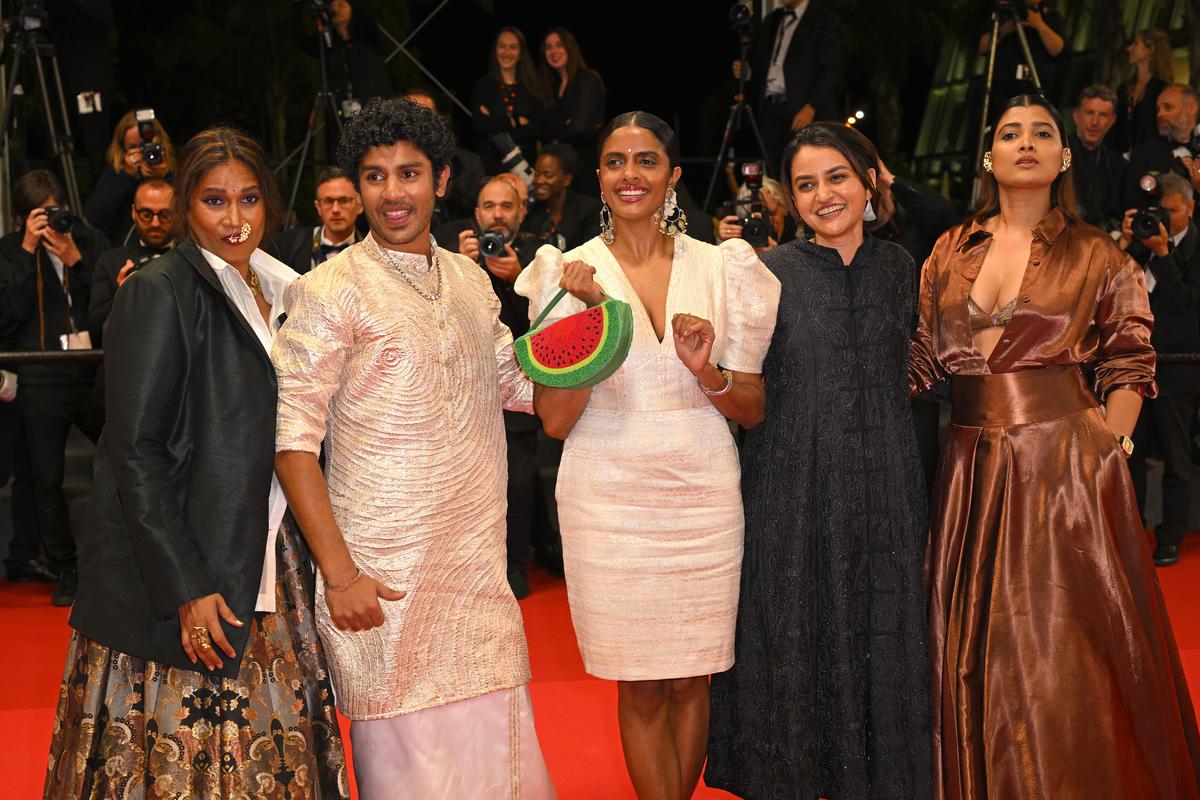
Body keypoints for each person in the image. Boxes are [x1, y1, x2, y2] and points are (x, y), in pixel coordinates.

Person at [910, 94, 1200, 798]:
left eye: (1043, 132)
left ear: (1063, 156)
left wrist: (1110, 447)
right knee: (977, 644)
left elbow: (1131, 360)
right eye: (1010, 134)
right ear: (990, 158)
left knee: (1061, 644)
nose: (1027, 142)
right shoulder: (949, 250)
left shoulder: (1096, 251)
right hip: (969, 468)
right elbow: (919, 361)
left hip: (1066, 466)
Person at [46, 127, 348, 797]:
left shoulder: (291, 294)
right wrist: (185, 585)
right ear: (186, 207)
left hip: (271, 552)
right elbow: (134, 451)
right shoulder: (159, 291)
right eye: (214, 201)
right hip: (187, 565)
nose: (234, 220)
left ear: (269, 203)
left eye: (248, 200)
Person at [271, 98, 554, 798]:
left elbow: (517, 384)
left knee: (499, 765)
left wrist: (589, 324)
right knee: (414, 772)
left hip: (477, 570)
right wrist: (340, 576)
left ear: (443, 179)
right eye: (374, 176)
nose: (393, 193)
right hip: (384, 580)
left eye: (409, 173)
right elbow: (291, 442)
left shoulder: (467, 281)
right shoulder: (329, 288)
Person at [516, 111, 780, 800]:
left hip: (702, 489)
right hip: (609, 494)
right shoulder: (568, 274)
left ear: (672, 175)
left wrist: (708, 372)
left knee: (693, 677)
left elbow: (751, 406)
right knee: (638, 684)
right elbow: (553, 419)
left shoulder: (721, 267)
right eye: (614, 162)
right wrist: (598, 327)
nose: (629, 174)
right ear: (599, 177)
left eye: (645, 161)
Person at [706, 122, 932, 800]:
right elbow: (744, 385)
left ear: (868, 180)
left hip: (889, 481)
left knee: (885, 630)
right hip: (793, 483)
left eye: (838, 177)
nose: (824, 194)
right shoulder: (765, 272)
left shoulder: (902, 269)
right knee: (797, 630)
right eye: (806, 183)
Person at [434, 176, 547, 598]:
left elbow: (545, 326)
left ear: (520, 212)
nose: (497, 214)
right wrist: (462, 268)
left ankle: (515, 567)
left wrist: (519, 278)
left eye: (506, 206)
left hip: (517, 384)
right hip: (460, 390)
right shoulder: (448, 252)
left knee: (518, 485)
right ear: (476, 214)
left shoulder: (537, 258)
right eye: (488, 206)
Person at [0, 169, 107, 607]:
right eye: (40, 214)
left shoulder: (87, 240)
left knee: (129, 453)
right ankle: (65, 567)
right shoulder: (9, 251)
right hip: (40, 375)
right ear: (23, 216)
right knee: (46, 480)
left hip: (89, 370)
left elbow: (102, 304)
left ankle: (117, 557)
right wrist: (28, 253)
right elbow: (6, 317)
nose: (51, 221)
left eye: (56, 209)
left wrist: (75, 258)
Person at [1118, 172, 1200, 567]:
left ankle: (1170, 537)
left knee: (1175, 457)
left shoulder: (1194, 249)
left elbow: (1188, 310)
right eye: (1157, 212)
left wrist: (1165, 256)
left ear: (1190, 208)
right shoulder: (1137, 246)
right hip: (1134, 371)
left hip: (1179, 370)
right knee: (1129, 455)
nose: (1162, 221)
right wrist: (1123, 244)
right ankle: (1133, 531)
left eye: (1171, 212)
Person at [735, 0, 842, 172]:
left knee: (806, 168)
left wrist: (811, 106)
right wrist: (747, 72)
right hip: (770, 110)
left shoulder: (823, 18)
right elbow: (762, 65)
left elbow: (829, 70)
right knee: (775, 171)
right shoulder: (772, 20)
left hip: (803, 111)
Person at [88, 177, 175, 345]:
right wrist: (122, 297)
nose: (155, 223)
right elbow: (95, 332)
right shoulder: (110, 261)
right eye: (146, 214)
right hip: (124, 363)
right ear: (134, 213)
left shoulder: (193, 259)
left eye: (164, 214)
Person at [84, 109, 175, 246]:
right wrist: (126, 176)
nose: (144, 150)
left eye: (147, 144)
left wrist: (165, 177)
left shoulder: (173, 168)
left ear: (160, 141)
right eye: (134, 147)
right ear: (123, 149)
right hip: (128, 252)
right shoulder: (117, 172)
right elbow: (94, 217)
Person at [403, 87, 487, 222]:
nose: (417, 123)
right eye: (409, 116)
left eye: (424, 115)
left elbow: (478, 209)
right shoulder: (385, 163)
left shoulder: (468, 162)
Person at [472, 27, 546, 177]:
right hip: (491, 168)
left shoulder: (532, 86)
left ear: (521, 53)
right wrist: (516, 121)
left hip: (526, 169)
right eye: (502, 46)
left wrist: (496, 126)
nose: (507, 52)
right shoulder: (483, 85)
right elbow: (480, 125)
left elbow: (539, 128)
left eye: (513, 47)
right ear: (495, 50)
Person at [539, 28, 606, 189]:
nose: (553, 51)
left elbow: (580, 128)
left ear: (570, 48)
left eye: (559, 45)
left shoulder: (587, 79)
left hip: (586, 167)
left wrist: (555, 139)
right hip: (562, 169)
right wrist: (566, 126)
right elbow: (543, 128)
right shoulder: (552, 87)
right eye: (548, 47)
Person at [977, 1, 1066, 121]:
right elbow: (983, 47)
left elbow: (1058, 49)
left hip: (1036, 88)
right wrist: (1004, 30)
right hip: (1002, 87)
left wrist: (1039, 24)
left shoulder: (1050, 17)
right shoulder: (1002, 14)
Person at [270, 166, 362, 275]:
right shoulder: (286, 245)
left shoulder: (373, 254)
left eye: (344, 201)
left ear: (359, 205)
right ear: (318, 207)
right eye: (328, 201)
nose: (335, 209)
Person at [1125, 83, 1200, 212]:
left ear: (1191, 109)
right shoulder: (1143, 153)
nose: (1160, 114)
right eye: (1158, 109)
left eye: (1168, 108)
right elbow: (1132, 203)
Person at [1069, 84, 1126, 232]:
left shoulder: (1118, 164)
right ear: (1076, 116)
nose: (1095, 122)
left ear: (1112, 121)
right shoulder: (1054, 154)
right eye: (1089, 113)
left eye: (1103, 115)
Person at [525, 142, 602, 250]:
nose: (539, 180)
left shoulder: (589, 210)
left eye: (548, 175)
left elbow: (592, 252)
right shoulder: (532, 210)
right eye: (537, 174)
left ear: (567, 179)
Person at [1111, 28, 1175, 155]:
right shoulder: (1124, 89)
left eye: (1136, 43)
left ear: (1151, 49)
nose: (1129, 48)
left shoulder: (1163, 90)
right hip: (1118, 161)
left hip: (1148, 162)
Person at [714, 176, 795, 251]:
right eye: (757, 219)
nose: (768, 220)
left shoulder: (797, 238)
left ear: (784, 207)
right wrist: (723, 242)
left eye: (771, 213)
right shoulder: (740, 240)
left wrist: (776, 256)